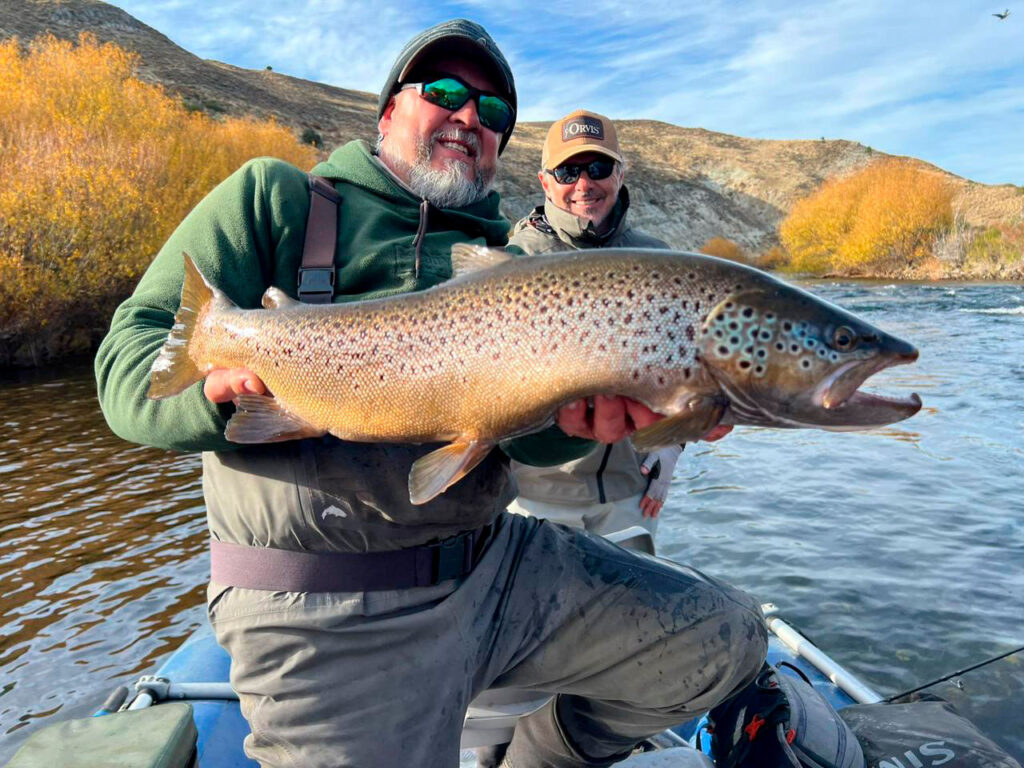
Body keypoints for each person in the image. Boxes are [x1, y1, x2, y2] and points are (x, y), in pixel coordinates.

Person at [95, 19, 766, 768]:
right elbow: (125, 371)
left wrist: (581, 424)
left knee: (723, 638)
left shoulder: (509, 266)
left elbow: (521, 442)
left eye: (493, 111)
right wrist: (217, 396)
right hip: (322, 609)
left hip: (495, 568)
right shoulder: (274, 199)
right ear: (388, 113)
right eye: (444, 92)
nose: (469, 116)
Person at [507, 110, 685, 540]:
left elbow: (683, 366)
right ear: (545, 182)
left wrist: (673, 444)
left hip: (631, 494)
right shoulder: (516, 260)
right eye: (568, 171)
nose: (584, 184)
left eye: (598, 168)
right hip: (535, 494)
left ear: (620, 174)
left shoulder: (658, 259)